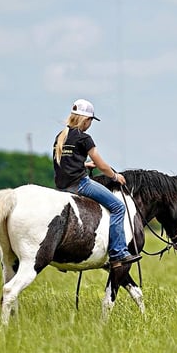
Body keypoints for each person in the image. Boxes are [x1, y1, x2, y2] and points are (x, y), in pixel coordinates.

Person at [52, 98, 141, 266]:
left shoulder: (61, 136)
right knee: (118, 207)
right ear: (86, 120)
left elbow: (61, 162)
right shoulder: (84, 138)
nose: (90, 124)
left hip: (62, 186)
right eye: (91, 120)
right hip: (80, 185)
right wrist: (115, 176)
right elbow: (101, 165)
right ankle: (118, 252)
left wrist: (83, 164)